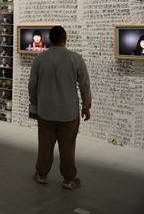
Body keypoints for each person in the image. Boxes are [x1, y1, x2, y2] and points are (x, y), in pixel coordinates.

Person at [28, 26, 92, 189]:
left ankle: (42, 174)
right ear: (65, 39)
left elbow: (32, 86)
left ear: (50, 39)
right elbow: (84, 85)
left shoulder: (40, 59)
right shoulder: (76, 58)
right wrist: (86, 106)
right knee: (68, 147)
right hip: (69, 112)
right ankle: (69, 179)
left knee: (45, 145)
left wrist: (34, 103)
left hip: (45, 111)